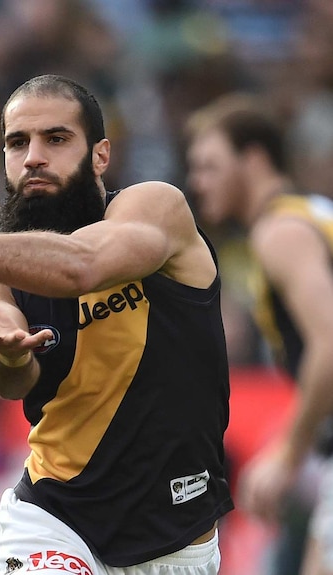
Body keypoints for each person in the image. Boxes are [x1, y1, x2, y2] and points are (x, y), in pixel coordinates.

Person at [0, 74, 233, 574]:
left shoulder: (156, 208)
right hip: (54, 521)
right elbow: (11, 382)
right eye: (17, 142)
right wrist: (9, 354)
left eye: (56, 139)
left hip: (180, 540)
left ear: (101, 155)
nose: (33, 157)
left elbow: (80, 266)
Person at [185, 94, 333, 575]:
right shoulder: (311, 213)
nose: (196, 182)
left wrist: (287, 454)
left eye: (209, 165)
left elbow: (329, 343)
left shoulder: (279, 231)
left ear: (254, 158)